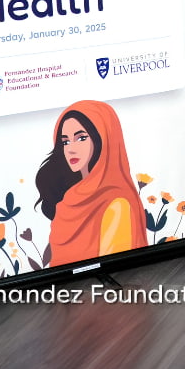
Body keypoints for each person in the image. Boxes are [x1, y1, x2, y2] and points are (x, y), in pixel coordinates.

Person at [36, 99, 148, 267]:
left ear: (103, 138)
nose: (71, 148)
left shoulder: (117, 203)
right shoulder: (68, 200)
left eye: (81, 138)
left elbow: (115, 267)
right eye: (65, 141)